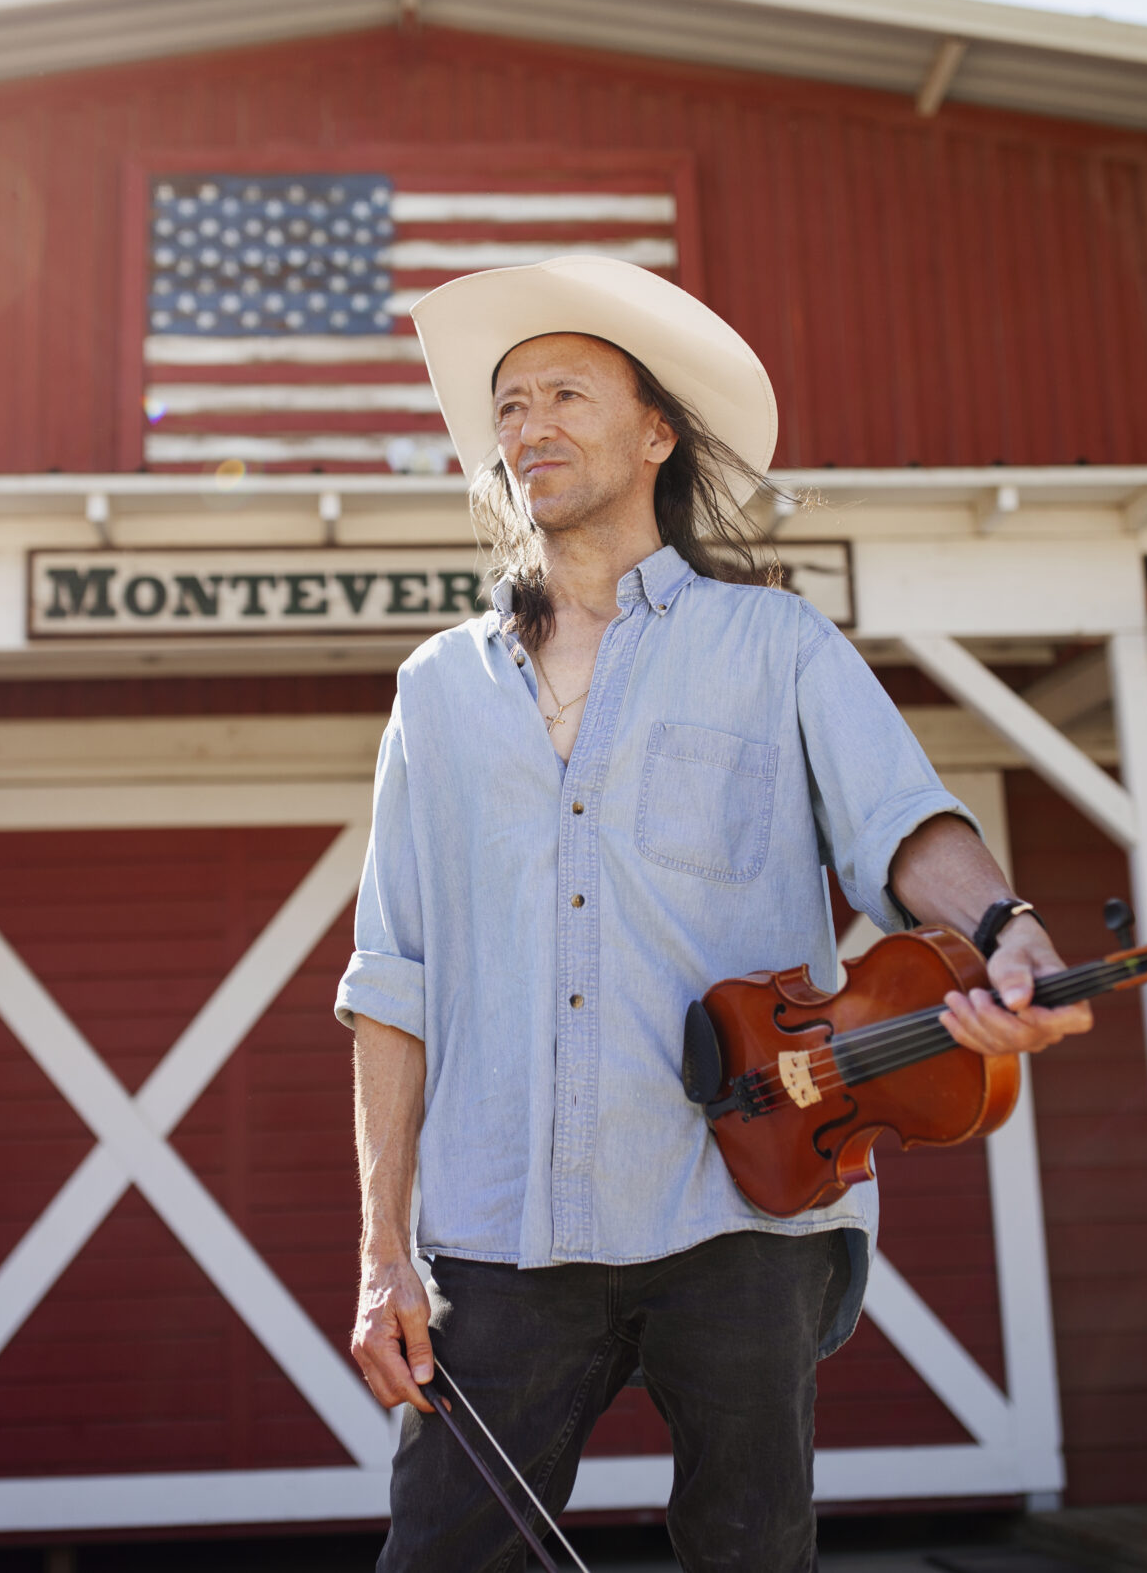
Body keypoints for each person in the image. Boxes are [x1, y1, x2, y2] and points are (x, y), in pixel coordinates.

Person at [336, 257, 1092, 1573]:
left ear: (656, 433)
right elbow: (390, 983)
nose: (525, 426)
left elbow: (905, 829)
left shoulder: (777, 644)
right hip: (500, 1227)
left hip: (742, 1208)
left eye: (564, 392)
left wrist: (1008, 922)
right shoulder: (437, 692)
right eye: (508, 406)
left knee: (751, 1556)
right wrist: (381, 1255)